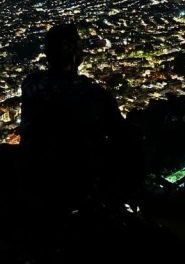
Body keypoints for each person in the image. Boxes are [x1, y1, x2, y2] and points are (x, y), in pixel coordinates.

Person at [19, 23, 133, 212]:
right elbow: (122, 137)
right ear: (76, 55)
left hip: (34, 180)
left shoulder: (31, 84)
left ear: (47, 53)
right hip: (79, 187)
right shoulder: (94, 95)